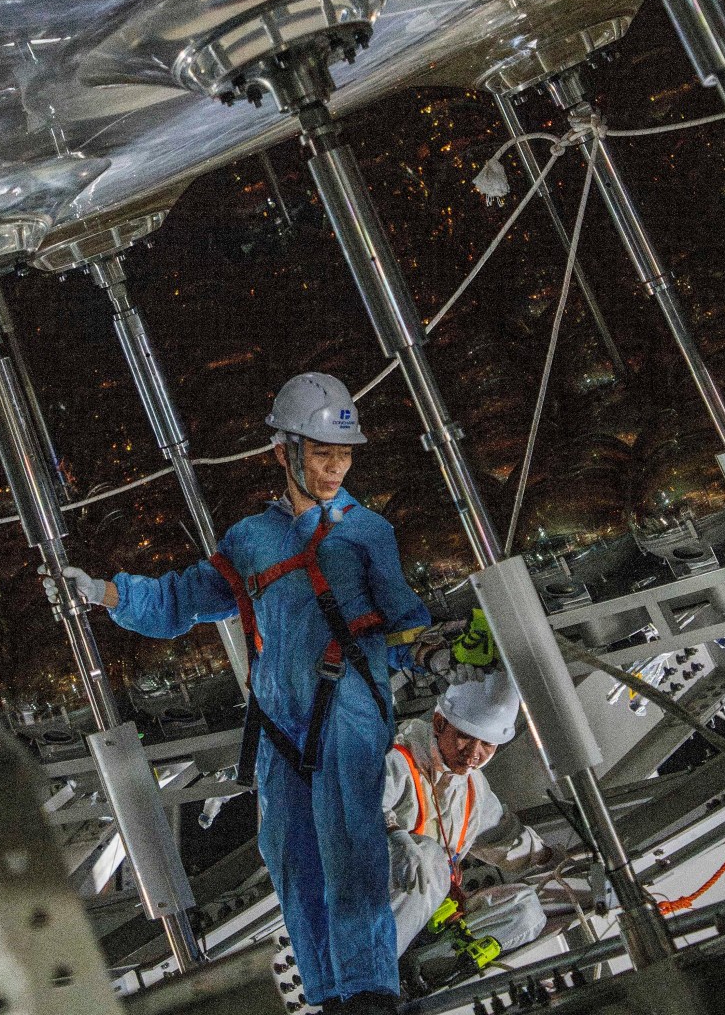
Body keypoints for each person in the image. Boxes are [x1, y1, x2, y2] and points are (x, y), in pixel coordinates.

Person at [63, 372, 432, 1015]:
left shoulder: (368, 532)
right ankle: (330, 993)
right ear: (283, 453)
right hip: (277, 722)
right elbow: (184, 599)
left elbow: (401, 617)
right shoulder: (251, 539)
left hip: (347, 705)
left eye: (342, 454)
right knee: (289, 852)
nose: (334, 467)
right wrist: (104, 593)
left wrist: (428, 651)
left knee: (351, 843)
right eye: (322, 453)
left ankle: (369, 990)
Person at [384, 669, 564, 980]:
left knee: (525, 908)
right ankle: (373, 975)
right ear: (440, 724)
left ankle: (428, 972)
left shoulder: (472, 787)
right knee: (427, 856)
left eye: (488, 746)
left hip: (432, 913)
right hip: (379, 900)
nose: (474, 754)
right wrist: (393, 837)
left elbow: (502, 837)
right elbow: (358, 809)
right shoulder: (397, 760)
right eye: (465, 737)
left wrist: (554, 858)